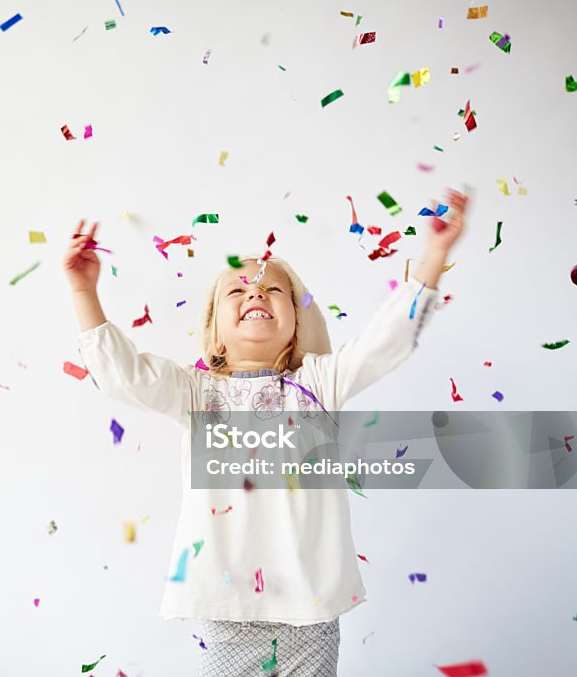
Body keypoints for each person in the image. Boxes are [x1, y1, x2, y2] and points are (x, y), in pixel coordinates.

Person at [63, 189, 469, 676]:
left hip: (310, 614)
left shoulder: (319, 383)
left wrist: (435, 255)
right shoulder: (195, 395)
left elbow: (386, 341)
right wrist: (85, 292)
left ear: (296, 324)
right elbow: (124, 375)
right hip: (226, 613)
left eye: (272, 289)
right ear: (214, 334)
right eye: (237, 290)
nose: (255, 292)